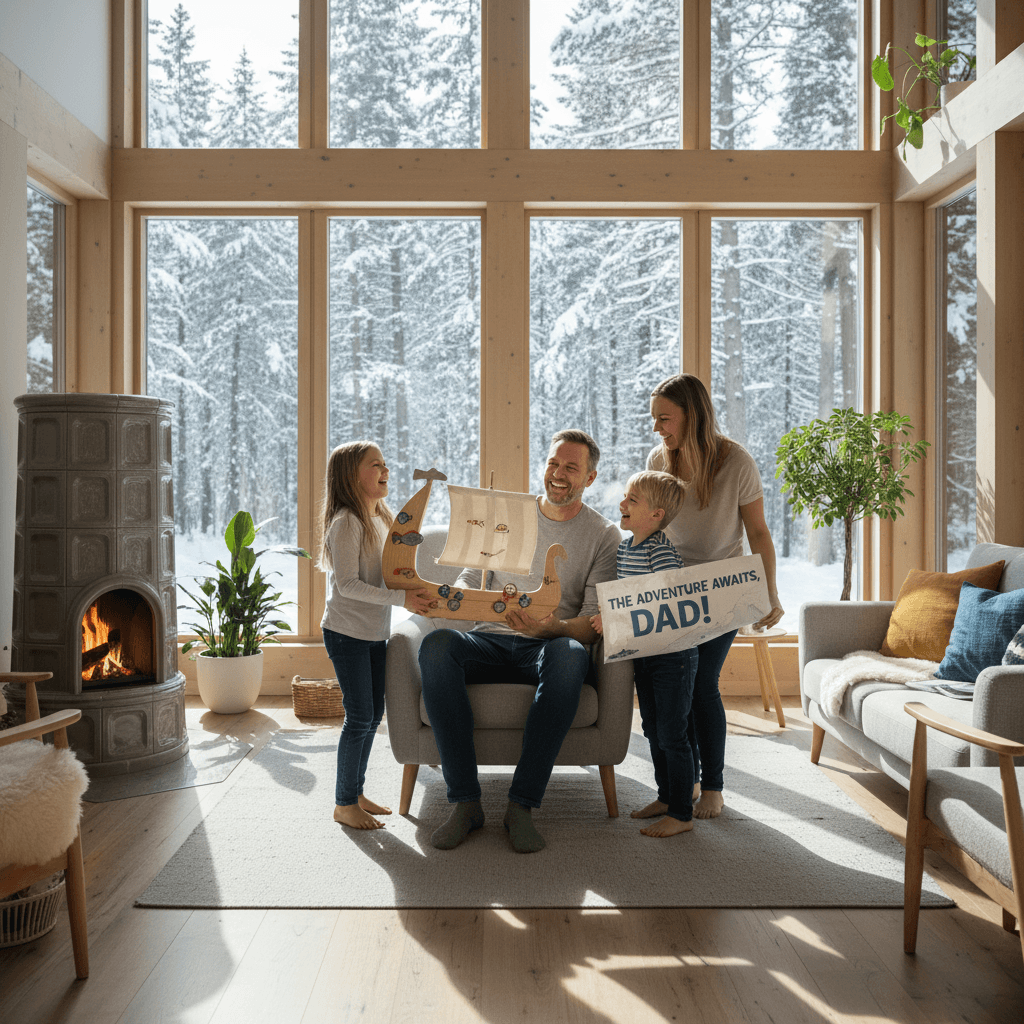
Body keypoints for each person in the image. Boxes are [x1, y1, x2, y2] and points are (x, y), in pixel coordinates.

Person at [418, 430, 621, 853]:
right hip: (488, 639)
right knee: (435, 648)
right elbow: (472, 578)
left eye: (571, 467)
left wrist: (555, 630)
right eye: (553, 463)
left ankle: (521, 806)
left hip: (547, 644)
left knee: (570, 656)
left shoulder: (604, 536)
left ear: (590, 477)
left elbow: (592, 622)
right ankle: (466, 803)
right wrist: (453, 599)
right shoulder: (510, 514)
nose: (558, 474)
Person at [646, 373, 784, 820]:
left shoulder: (736, 462)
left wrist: (770, 593)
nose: (657, 428)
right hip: (670, 592)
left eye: (664, 418)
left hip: (723, 590)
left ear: (693, 414)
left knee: (702, 684)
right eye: (654, 418)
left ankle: (714, 787)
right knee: (672, 691)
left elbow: (759, 532)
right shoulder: (658, 459)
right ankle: (678, 788)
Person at [319, 441, 432, 830]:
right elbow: (347, 585)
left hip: (372, 632)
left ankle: (355, 791)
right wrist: (402, 598)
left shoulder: (381, 516)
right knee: (360, 716)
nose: (385, 469)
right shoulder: (346, 522)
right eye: (375, 465)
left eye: (385, 463)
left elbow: (392, 567)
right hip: (346, 632)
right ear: (353, 475)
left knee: (373, 715)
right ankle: (343, 802)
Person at [591, 470, 698, 838]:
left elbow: (665, 602)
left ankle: (682, 813)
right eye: (625, 497)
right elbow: (625, 595)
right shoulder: (625, 548)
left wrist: (617, 617)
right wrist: (610, 614)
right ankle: (667, 797)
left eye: (632, 500)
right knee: (652, 728)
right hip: (645, 654)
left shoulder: (661, 551)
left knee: (672, 732)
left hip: (674, 654)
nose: (622, 503)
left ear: (656, 515)